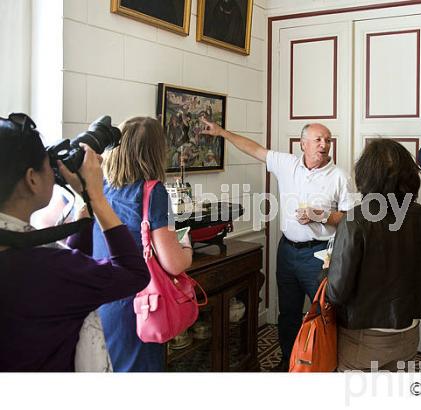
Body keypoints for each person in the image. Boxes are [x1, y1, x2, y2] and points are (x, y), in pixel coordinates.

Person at [200, 117, 358, 371]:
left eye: (327, 140)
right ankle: (288, 361)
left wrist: (322, 215)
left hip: (319, 254)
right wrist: (221, 133)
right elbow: (254, 149)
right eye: (318, 140)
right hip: (286, 251)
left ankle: (326, 365)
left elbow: (351, 216)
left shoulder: (339, 176)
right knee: (288, 312)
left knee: (325, 314)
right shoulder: (287, 164)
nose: (324, 145)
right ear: (303, 144)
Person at [0, 113, 150, 371]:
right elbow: (134, 274)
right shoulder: (40, 266)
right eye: (47, 163)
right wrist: (95, 196)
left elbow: (73, 267)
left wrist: (84, 206)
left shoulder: (28, 256)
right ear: (32, 179)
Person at [325, 139, 421, 371]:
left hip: (365, 334)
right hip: (408, 328)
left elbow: (337, 291)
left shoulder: (355, 219)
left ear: (365, 176)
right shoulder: (420, 215)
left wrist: (327, 270)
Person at [93, 116, 193, 372]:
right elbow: (173, 263)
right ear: (156, 152)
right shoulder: (152, 191)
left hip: (98, 302)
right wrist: (187, 245)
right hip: (137, 305)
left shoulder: (99, 187)